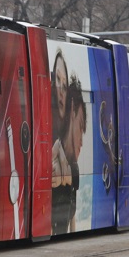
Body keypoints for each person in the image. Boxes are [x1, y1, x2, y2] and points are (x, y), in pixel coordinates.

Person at [52, 74, 86, 235]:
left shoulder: (73, 166)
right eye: (81, 127)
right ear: (72, 110)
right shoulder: (55, 147)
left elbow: (73, 205)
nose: (81, 142)